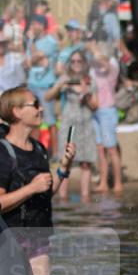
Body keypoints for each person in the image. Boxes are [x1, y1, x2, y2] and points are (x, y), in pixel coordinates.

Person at [0, 87, 76, 275]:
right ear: (16, 111)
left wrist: (64, 167)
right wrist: (31, 188)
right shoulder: (1, 153)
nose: (41, 109)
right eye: (35, 105)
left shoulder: (38, 148)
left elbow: (46, 191)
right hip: (10, 241)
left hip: (38, 238)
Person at [46, 51, 97, 201]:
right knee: (65, 161)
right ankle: (63, 199)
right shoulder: (65, 78)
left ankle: (85, 198)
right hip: (69, 123)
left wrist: (86, 93)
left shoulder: (89, 80)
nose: (76, 64)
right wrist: (60, 86)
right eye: (73, 61)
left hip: (86, 122)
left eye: (79, 61)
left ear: (84, 62)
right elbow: (47, 97)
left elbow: (95, 106)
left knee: (86, 163)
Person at [24, 15, 58, 157]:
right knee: (33, 120)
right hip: (32, 85)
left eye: (34, 24)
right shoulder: (31, 42)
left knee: (50, 121)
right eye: (31, 25)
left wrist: (31, 43)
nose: (31, 28)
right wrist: (33, 54)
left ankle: (56, 153)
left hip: (45, 86)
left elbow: (36, 56)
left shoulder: (50, 41)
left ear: (42, 25)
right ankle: (34, 153)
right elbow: (28, 63)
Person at [89, 44, 122, 194]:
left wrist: (95, 50)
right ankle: (103, 182)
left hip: (108, 111)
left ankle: (118, 182)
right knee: (101, 149)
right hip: (95, 112)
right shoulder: (93, 70)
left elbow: (105, 63)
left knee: (112, 149)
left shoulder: (112, 65)